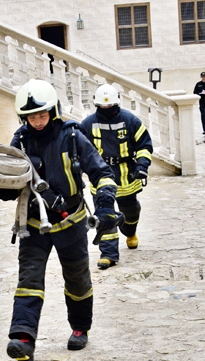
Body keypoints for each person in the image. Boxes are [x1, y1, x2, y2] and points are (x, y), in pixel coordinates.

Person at [0, 79, 117, 361]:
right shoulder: (21, 141)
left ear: (53, 111)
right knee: (29, 280)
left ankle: (80, 327)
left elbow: (102, 174)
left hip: (71, 221)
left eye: (42, 115)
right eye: (31, 117)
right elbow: (12, 186)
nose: (37, 122)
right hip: (33, 223)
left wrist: (104, 207)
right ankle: (23, 340)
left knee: (76, 279)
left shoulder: (73, 137)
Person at [80, 83, 153, 268]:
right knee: (104, 213)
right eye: (102, 106)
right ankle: (109, 254)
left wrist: (142, 165)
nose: (106, 109)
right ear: (96, 105)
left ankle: (130, 231)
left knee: (130, 210)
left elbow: (144, 145)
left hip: (127, 175)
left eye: (109, 106)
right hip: (101, 176)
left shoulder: (130, 120)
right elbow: (79, 151)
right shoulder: (87, 125)